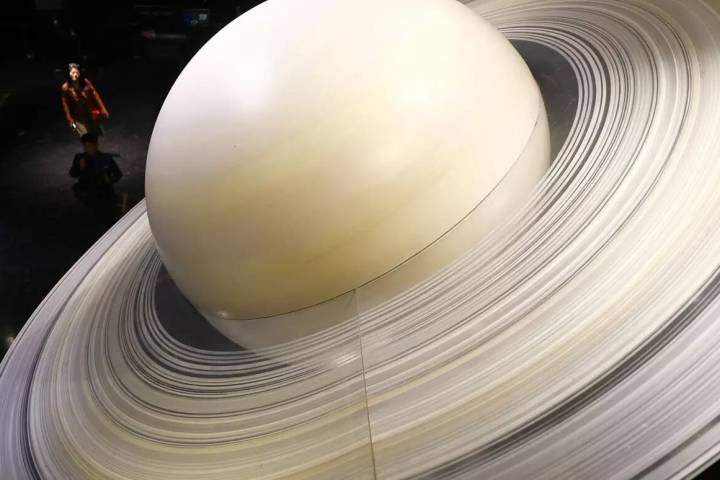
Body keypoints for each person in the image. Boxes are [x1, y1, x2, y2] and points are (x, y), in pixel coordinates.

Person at [70, 133, 122, 226]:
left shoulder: (105, 158)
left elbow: (118, 174)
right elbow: (73, 174)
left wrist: (108, 180)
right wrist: (80, 167)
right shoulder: (80, 158)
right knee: (93, 223)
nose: (88, 149)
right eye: (85, 146)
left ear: (96, 145)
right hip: (89, 196)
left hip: (105, 195)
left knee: (110, 221)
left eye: (90, 146)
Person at [61, 63, 109, 137]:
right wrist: (70, 120)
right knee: (86, 137)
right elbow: (65, 105)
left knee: (95, 135)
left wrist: (103, 108)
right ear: (69, 74)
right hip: (78, 117)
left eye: (77, 72)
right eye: (73, 72)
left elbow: (94, 94)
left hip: (90, 112)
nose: (75, 74)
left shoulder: (85, 82)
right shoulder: (65, 88)